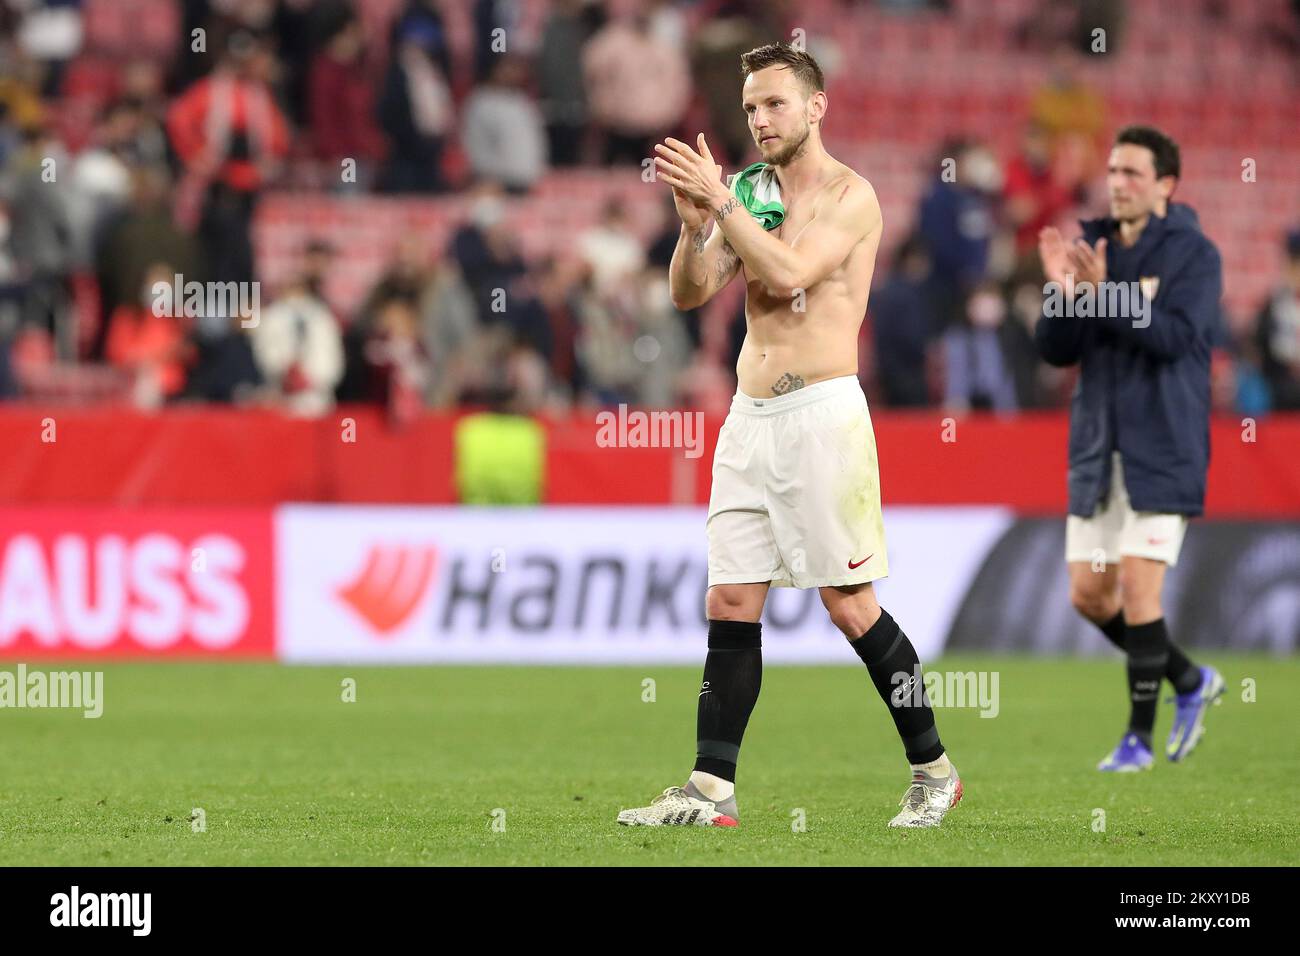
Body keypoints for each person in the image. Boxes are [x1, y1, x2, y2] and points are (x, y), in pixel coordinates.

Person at [617, 42, 962, 830]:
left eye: (774, 104)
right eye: (749, 109)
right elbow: (691, 292)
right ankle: (711, 790)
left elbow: (792, 274)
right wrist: (691, 225)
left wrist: (727, 210)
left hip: (821, 419)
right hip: (749, 418)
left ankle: (933, 769)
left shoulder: (852, 196)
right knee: (732, 597)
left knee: (849, 605)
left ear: (816, 106)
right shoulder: (746, 190)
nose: (760, 120)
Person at [1036, 125, 1226, 772]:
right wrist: (1063, 299)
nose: (1118, 184)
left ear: (1166, 185)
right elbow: (1055, 350)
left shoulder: (1194, 256)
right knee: (1089, 595)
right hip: (1098, 445)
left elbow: (1175, 337)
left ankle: (1138, 741)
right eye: (1113, 171)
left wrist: (1100, 295)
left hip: (1163, 446)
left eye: (1133, 174)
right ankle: (1192, 680)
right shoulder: (1090, 244)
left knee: (1141, 594)